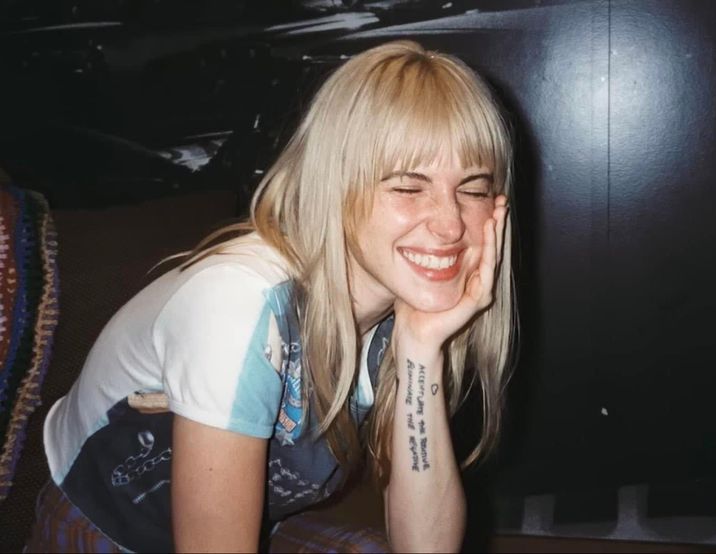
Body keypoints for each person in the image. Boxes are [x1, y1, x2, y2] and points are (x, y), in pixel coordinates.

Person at [27, 39, 514, 553]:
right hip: (101, 535)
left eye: (474, 189)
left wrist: (421, 348)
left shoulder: (397, 304)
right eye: (408, 187)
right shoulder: (240, 304)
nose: (449, 224)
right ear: (335, 186)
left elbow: (427, 549)